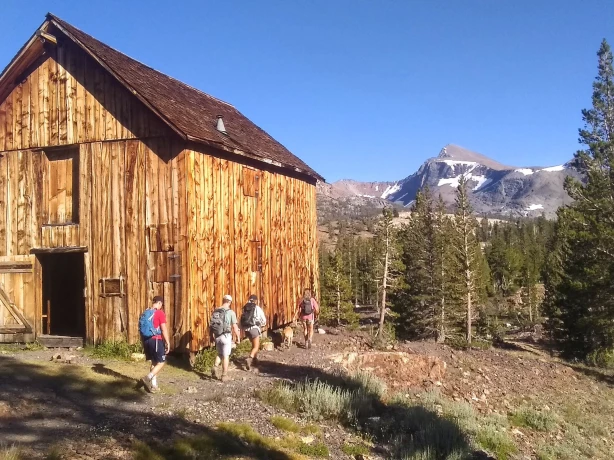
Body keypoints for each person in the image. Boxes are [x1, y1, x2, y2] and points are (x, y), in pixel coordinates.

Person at [140, 295, 170, 393]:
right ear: (159, 303)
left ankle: (153, 385)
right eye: (161, 304)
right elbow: (163, 329)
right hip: (156, 340)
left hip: (146, 340)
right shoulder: (159, 313)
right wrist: (168, 342)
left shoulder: (146, 312)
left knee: (154, 362)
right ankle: (147, 378)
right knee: (161, 362)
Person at [210, 294, 240, 382]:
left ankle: (215, 367)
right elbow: (234, 326)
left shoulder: (216, 311)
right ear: (230, 302)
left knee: (220, 353)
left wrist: (211, 336)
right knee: (226, 355)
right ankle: (224, 375)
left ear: (223, 300)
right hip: (226, 336)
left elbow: (211, 325)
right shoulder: (231, 312)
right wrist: (238, 337)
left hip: (217, 336)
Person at [240, 294, 267, 370]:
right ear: (256, 300)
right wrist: (262, 325)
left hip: (246, 330)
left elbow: (242, 319)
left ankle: (255, 360)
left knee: (253, 345)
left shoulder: (245, 308)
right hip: (254, 329)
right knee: (256, 346)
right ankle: (250, 358)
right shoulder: (257, 308)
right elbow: (263, 320)